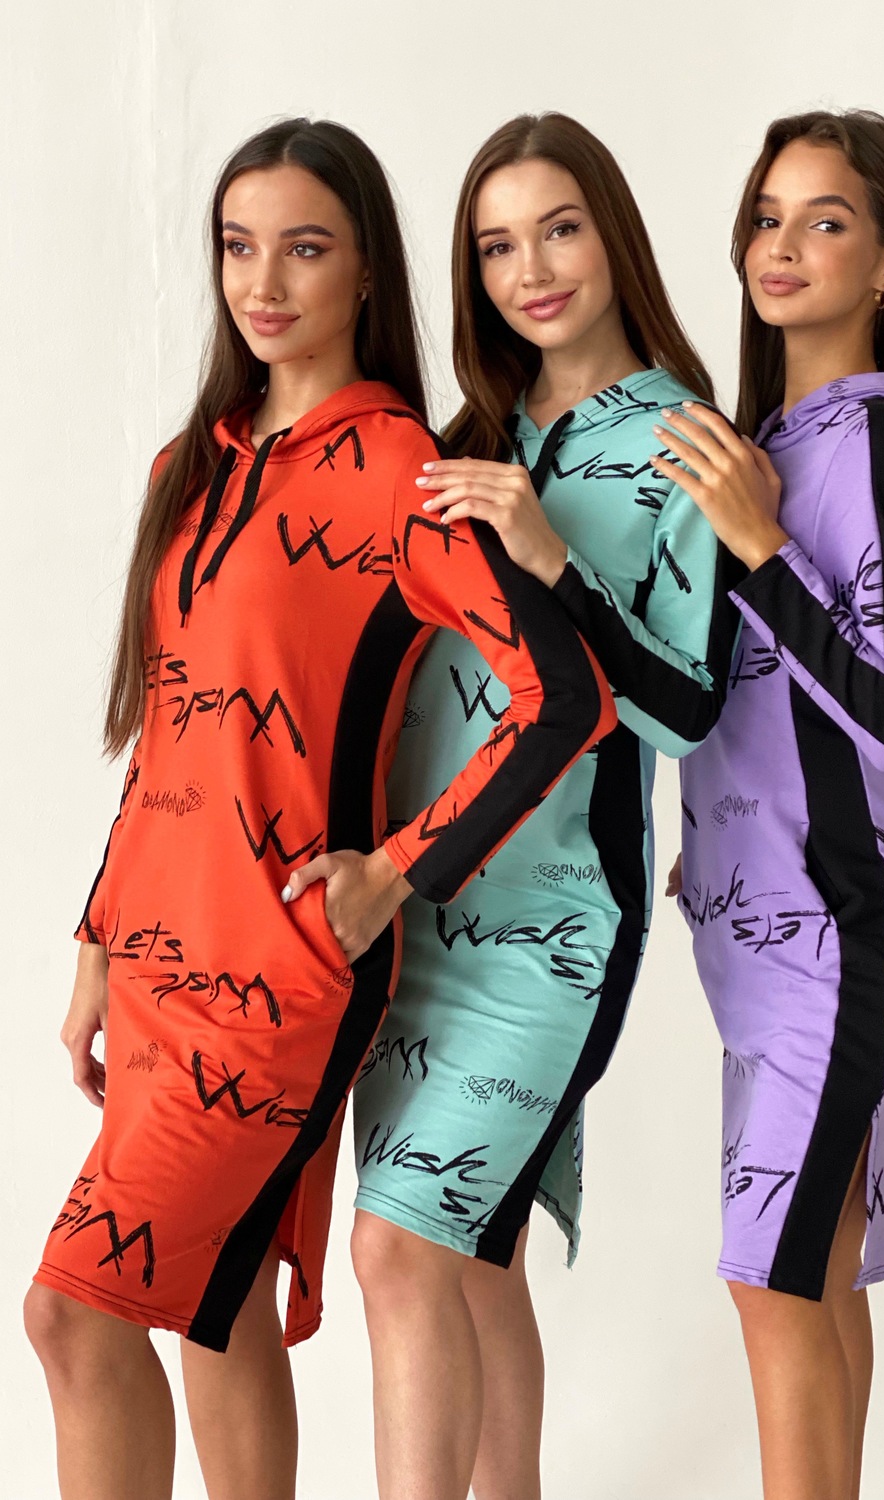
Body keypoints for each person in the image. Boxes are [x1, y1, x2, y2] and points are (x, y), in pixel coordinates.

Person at [23, 116, 614, 1500]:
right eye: (239, 247)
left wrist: (395, 871)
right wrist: (98, 940)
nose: (264, 281)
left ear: (365, 272)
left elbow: (565, 697)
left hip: (277, 972)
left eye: (304, 248)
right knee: (211, 1303)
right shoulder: (192, 466)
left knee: (69, 1314)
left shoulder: (404, 475)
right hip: (156, 955)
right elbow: (165, 725)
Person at [350, 112, 741, 1500]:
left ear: (612, 233)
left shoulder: (690, 445)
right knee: (473, 1259)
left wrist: (552, 558)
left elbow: (686, 710)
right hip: (415, 908)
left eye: (559, 228)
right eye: (497, 245)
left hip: (558, 928)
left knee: (398, 1249)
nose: (532, 270)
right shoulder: (469, 438)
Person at [654, 110, 884, 1500]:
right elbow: (757, 694)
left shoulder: (878, 432)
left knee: (775, 1272)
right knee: (818, 1261)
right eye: (767, 217)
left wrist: (757, 543)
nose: (781, 246)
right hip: (772, 915)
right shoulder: (768, 438)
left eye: (826, 221)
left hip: (847, 918)